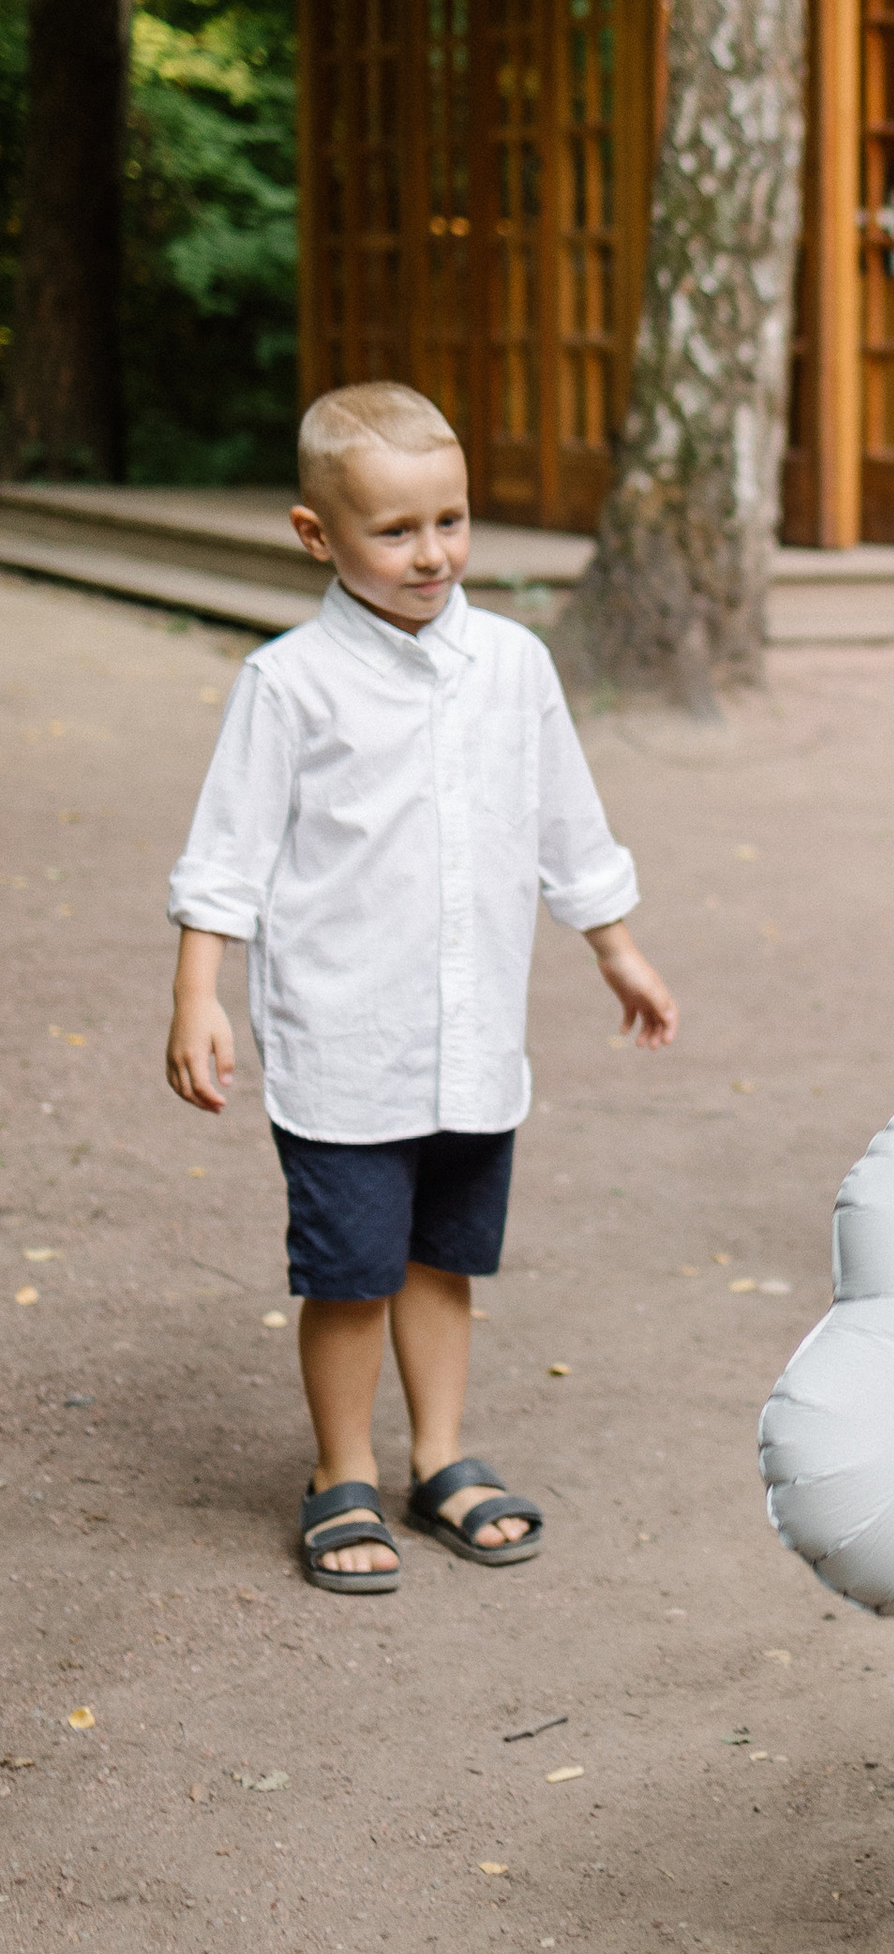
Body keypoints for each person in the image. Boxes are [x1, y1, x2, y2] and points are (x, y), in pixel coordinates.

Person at [165, 381, 677, 1593]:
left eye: (449, 520)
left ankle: (439, 1455)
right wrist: (199, 993)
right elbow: (226, 855)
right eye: (395, 531)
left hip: (472, 1037)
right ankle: (341, 1470)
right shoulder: (289, 684)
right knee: (350, 1271)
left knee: (443, 1258)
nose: (432, 553)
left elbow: (567, 821)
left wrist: (618, 946)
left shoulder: (514, 663)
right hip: (345, 1036)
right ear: (315, 536)